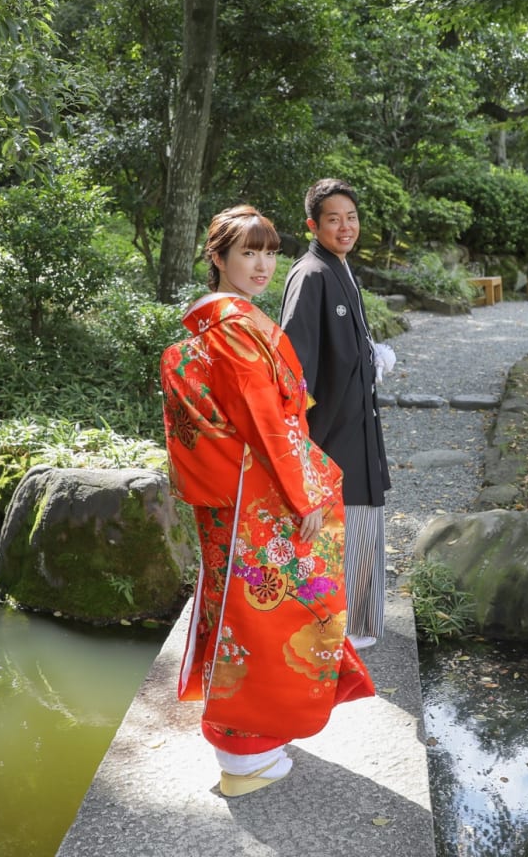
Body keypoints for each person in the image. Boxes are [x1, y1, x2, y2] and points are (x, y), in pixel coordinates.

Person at [160, 204, 374, 799]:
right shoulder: (236, 329)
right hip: (262, 491)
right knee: (265, 612)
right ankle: (245, 748)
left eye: (268, 251)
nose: (261, 264)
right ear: (218, 258)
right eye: (247, 252)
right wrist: (304, 492)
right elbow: (267, 422)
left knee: (239, 608)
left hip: (231, 493)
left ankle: (251, 739)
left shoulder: (213, 326)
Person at [279, 179, 393, 651]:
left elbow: (349, 347)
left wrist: (372, 356)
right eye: (333, 219)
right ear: (312, 225)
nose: (345, 227)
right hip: (329, 430)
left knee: (364, 519)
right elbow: (293, 366)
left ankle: (357, 621)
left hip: (355, 421)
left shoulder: (339, 267)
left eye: (351, 217)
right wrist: (298, 444)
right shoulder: (311, 274)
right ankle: (338, 623)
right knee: (341, 526)